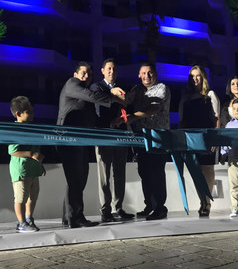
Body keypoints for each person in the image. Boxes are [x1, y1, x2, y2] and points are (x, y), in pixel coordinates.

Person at [57, 61, 125, 228]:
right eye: (83, 73)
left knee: (77, 179)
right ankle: (75, 218)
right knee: (76, 179)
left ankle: (69, 216)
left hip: (80, 141)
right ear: (75, 75)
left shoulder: (83, 94)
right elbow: (93, 96)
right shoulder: (72, 84)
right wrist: (113, 95)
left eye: (89, 74)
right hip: (69, 140)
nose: (86, 76)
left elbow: (92, 117)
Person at [116, 63, 171, 221]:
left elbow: (153, 108)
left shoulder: (162, 88)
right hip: (141, 135)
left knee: (157, 171)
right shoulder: (137, 89)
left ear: (155, 74)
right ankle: (150, 205)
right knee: (144, 171)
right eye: (143, 73)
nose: (147, 76)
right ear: (139, 75)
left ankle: (160, 207)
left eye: (150, 73)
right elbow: (125, 100)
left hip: (158, 135)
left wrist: (131, 117)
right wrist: (113, 91)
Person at [90, 58, 134, 222]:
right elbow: (98, 100)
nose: (111, 72)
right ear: (102, 71)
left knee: (120, 173)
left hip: (120, 134)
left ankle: (119, 208)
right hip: (103, 135)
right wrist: (112, 94)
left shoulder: (122, 88)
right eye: (108, 69)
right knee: (104, 174)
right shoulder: (97, 87)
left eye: (114, 69)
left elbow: (127, 105)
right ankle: (105, 210)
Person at [178, 65, 219, 217]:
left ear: (203, 78)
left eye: (198, 76)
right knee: (196, 171)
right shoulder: (185, 98)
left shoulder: (211, 95)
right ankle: (202, 201)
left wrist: (215, 139)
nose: (195, 79)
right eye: (192, 76)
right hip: (190, 139)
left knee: (208, 170)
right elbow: (181, 122)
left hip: (207, 138)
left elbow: (216, 119)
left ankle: (207, 202)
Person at [9, 96, 46, 233]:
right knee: (20, 198)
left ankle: (29, 218)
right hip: (21, 171)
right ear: (19, 114)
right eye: (28, 112)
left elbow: (36, 150)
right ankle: (21, 223)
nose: (32, 115)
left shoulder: (32, 128)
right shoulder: (15, 129)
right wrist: (31, 154)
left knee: (33, 197)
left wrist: (40, 164)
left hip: (33, 170)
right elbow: (12, 151)